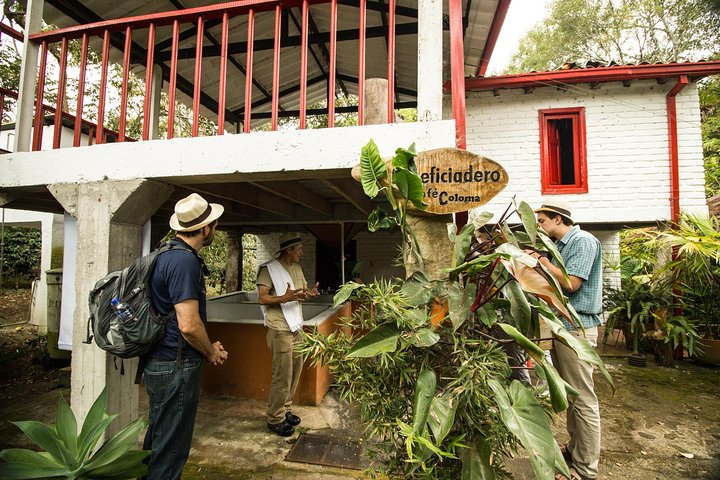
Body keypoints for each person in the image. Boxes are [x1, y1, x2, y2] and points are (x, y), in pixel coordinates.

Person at [142, 193, 229, 480]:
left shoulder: (165, 254)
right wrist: (210, 351)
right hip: (175, 365)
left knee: (158, 439)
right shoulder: (184, 262)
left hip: (161, 360)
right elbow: (189, 325)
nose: (214, 229)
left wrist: (206, 345)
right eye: (213, 225)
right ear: (205, 229)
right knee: (171, 448)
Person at [529, 200, 603, 480]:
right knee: (573, 395)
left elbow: (571, 284)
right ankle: (574, 448)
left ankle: (585, 470)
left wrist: (542, 262)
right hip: (564, 327)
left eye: (543, 222)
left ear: (559, 219)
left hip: (577, 329)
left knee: (583, 399)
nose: (540, 227)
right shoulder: (559, 246)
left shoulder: (582, 241)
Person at [257, 232, 319, 436]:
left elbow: (300, 293)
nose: (301, 253)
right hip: (279, 328)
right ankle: (274, 417)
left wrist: (309, 294)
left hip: (296, 326)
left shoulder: (297, 268)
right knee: (282, 375)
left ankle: (286, 409)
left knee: (295, 371)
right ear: (289, 250)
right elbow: (262, 298)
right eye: (298, 249)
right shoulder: (269, 269)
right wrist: (283, 298)